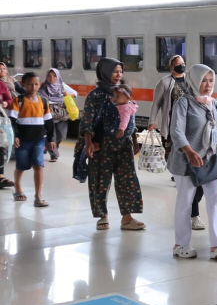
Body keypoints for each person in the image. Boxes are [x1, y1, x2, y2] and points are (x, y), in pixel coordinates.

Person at [168, 64, 217, 260]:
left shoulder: (213, 104)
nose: (207, 85)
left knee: (216, 202)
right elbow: (176, 131)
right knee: (185, 203)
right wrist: (188, 151)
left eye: (211, 80)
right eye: (204, 81)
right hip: (186, 161)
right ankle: (180, 244)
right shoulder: (184, 103)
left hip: (210, 159)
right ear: (195, 81)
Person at [77, 58, 145, 231]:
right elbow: (87, 120)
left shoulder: (123, 91)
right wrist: (89, 142)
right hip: (103, 144)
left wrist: (135, 139)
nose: (118, 75)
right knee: (101, 180)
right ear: (105, 72)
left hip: (124, 145)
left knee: (127, 179)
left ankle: (127, 218)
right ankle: (102, 216)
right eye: (115, 71)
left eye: (120, 71)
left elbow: (129, 117)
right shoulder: (96, 95)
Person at [150, 55, 205, 230]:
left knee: (196, 178)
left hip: (192, 128)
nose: (181, 66)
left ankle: (190, 205)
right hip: (174, 128)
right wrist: (153, 121)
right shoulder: (165, 82)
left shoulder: (189, 82)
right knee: (188, 175)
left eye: (183, 64)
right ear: (171, 66)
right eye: (178, 64)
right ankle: (192, 213)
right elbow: (156, 103)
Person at [9, 72, 55, 208]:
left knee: (38, 165)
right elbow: (12, 121)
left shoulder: (43, 102)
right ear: (23, 84)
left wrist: (51, 138)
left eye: (36, 84)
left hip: (38, 140)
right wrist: (15, 136)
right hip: (22, 140)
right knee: (21, 166)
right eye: (30, 84)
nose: (33, 87)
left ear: (39, 84)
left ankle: (38, 196)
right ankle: (17, 189)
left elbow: (49, 122)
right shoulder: (19, 101)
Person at [40, 68, 78, 162]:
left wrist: (68, 94)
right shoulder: (43, 87)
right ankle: (53, 155)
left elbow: (75, 93)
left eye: (54, 76)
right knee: (50, 135)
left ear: (57, 77)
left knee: (62, 135)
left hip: (61, 114)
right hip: (48, 115)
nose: (51, 78)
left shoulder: (62, 86)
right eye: (49, 76)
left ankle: (55, 147)